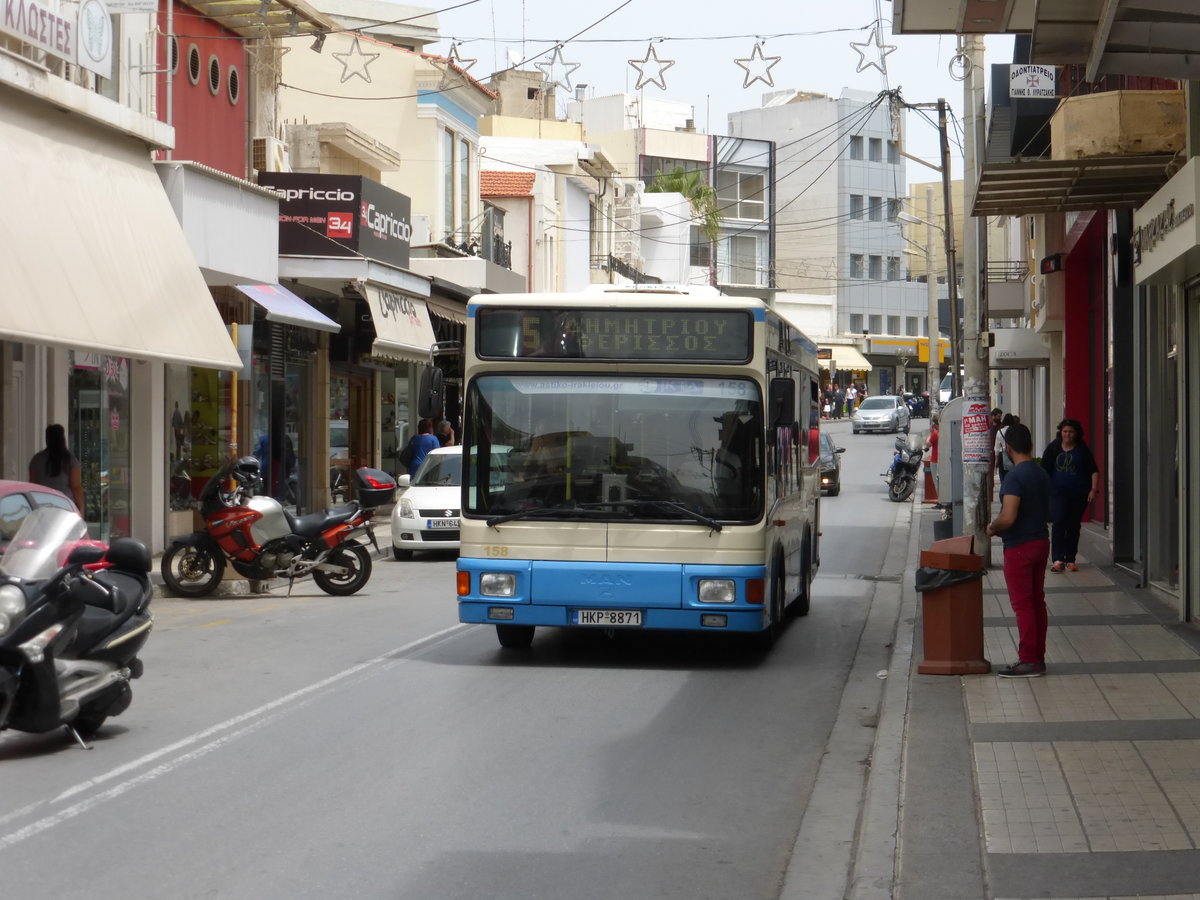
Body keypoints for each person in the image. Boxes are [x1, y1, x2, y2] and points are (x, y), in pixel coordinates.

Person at [985, 423, 1053, 677]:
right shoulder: (1041, 473)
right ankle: (1038, 657)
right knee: (1037, 602)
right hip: (1040, 542)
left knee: (1023, 605)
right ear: (1031, 446)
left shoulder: (1014, 477)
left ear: (1008, 449)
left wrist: (992, 527)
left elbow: (1009, 516)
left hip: (1020, 547)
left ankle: (1028, 660)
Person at [1041, 418, 1100, 573]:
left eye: (1071, 432)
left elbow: (1093, 470)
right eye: (1065, 431)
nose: (1067, 435)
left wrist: (1093, 490)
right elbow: (1044, 470)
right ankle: (1058, 559)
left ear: (1077, 434)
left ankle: (1070, 559)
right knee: (1059, 523)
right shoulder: (1053, 447)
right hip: (1057, 494)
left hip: (1079, 494)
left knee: (1073, 525)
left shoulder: (1082, 449)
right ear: (1061, 432)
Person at [29, 423, 85, 512]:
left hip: (42, 504)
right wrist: (81, 508)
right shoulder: (70, 460)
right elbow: (75, 486)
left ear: (47, 439)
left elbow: (32, 485)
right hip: (65, 504)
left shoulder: (36, 459)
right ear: (62, 438)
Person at [994, 413, 1019, 485]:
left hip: (1003, 456)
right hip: (1013, 455)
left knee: (1003, 479)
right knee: (1013, 479)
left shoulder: (1000, 432)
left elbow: (997, 449)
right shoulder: (1015, 430)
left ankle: (1004, 493)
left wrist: (996, 462)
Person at [924, 414, 940, 484]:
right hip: (942, 460)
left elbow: (928, 444)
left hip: (935, 460)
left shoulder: (935, 434)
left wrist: (931, 433)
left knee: (936, 482)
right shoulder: (944, 431)